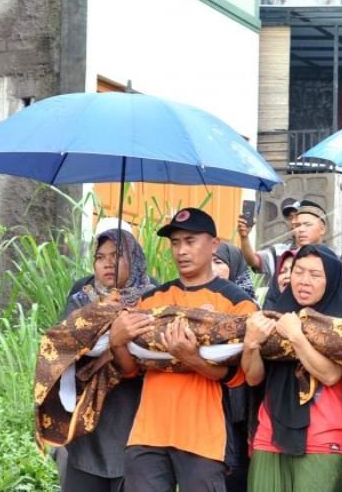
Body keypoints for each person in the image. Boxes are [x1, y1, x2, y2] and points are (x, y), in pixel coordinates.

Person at [114, 208, 258, 492]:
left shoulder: (238, 303)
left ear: (214, 244)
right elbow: (130, 370)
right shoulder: (151, 299)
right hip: (148, 432)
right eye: (176, 242)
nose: (181, 250)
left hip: (203, 435)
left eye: (190, 241)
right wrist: (118, 340)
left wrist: (193, 359)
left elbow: (239, 377)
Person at [242, 244, 342, 492]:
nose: (304, 281)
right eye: (298, 271)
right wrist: (251, 344)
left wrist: (296, 335)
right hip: (269, 436)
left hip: (324, 440)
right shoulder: (275, 315)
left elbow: (329, 375)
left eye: (315, 275)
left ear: (332, 280)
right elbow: (253, 379)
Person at [60, 229, 155, 492]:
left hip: (136, 417)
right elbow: (63, 348)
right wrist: (103, 316)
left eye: (116, 255)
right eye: (100, 257)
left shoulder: (153, 298)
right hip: (89, 425)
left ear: (134, 259)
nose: (107, 263)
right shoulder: (81, 299)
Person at [237, 198, 301, 279]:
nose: (293, 222)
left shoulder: (320, 254)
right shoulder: (279, 251)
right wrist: (244, 237)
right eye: (291, 217)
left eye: (298, 216)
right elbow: (253, 261)